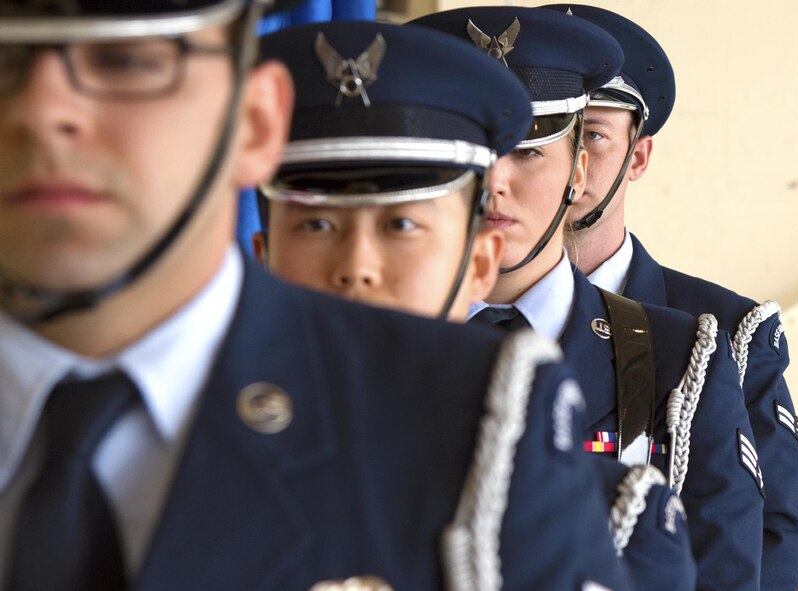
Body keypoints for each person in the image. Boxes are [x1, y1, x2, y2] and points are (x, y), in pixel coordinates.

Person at [0, 2, 632, 590]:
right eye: (4, 59)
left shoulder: (472, 436)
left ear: (252, 125)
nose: (40, 112)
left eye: (127, 60)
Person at [254, 16, 696, 590]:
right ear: (261, 256)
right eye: (315, 222)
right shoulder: (162, 473)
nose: (357, 264)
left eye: (403, 224)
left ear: (479, 264)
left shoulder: (615, 521)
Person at [412, 6, 764, 590]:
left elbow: (723, 573)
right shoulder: (365, 343)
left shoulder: (679, 361)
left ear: (577, 170)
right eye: (473, 151)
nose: (496, 181)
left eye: (528, 151)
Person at [545, 5, 798, 588]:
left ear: (637, 157)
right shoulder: (458, 313)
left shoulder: (723, 328)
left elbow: (772, 536)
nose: (570, 165)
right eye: (545, 138)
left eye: (592, 135)